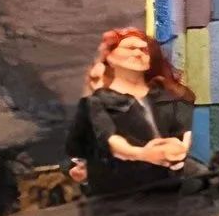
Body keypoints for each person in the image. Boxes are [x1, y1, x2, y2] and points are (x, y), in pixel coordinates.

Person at [79, 27, 200, 198]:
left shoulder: (166, 96)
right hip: (123, 192)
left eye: (143, 50)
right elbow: (108, 138)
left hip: (169, 186)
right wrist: (142, 154)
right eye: (130, 48)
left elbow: (183, 132)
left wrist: (176, 151)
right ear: (110, 57)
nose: (138, 53)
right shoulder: (98, 102)